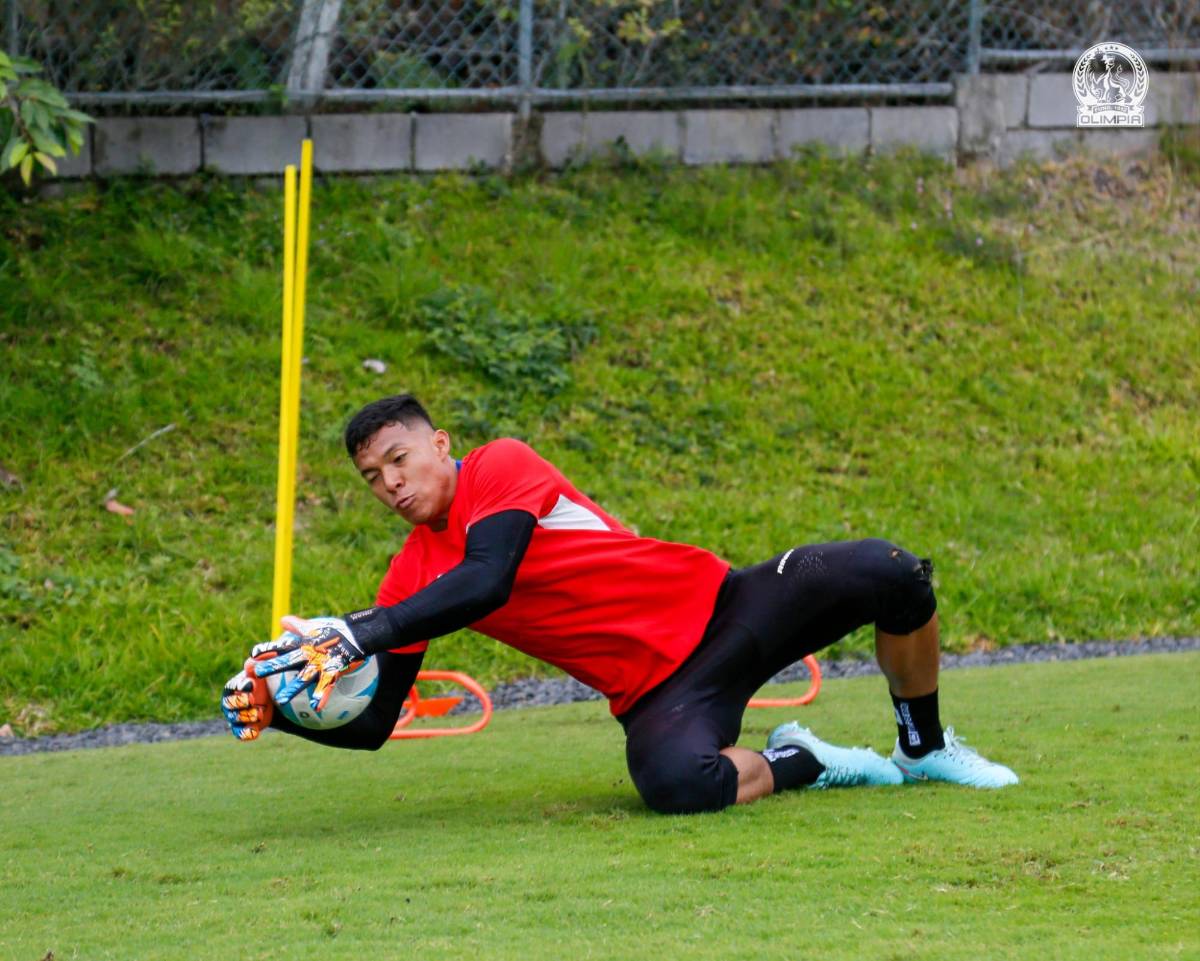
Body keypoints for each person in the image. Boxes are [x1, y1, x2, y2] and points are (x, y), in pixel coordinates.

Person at [222, 394, 1017, 814]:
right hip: (659, 694)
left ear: (438, 445)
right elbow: (370, 724)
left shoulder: (499, 465)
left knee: (893, 571)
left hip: (728, 608)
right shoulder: (406, 578)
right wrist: (278, 709)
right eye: (372, 476)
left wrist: (358, 630)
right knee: (674, 784)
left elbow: (488, 577)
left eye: (399, 459)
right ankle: (803, 759)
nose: (391, 484)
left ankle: (923, 745)